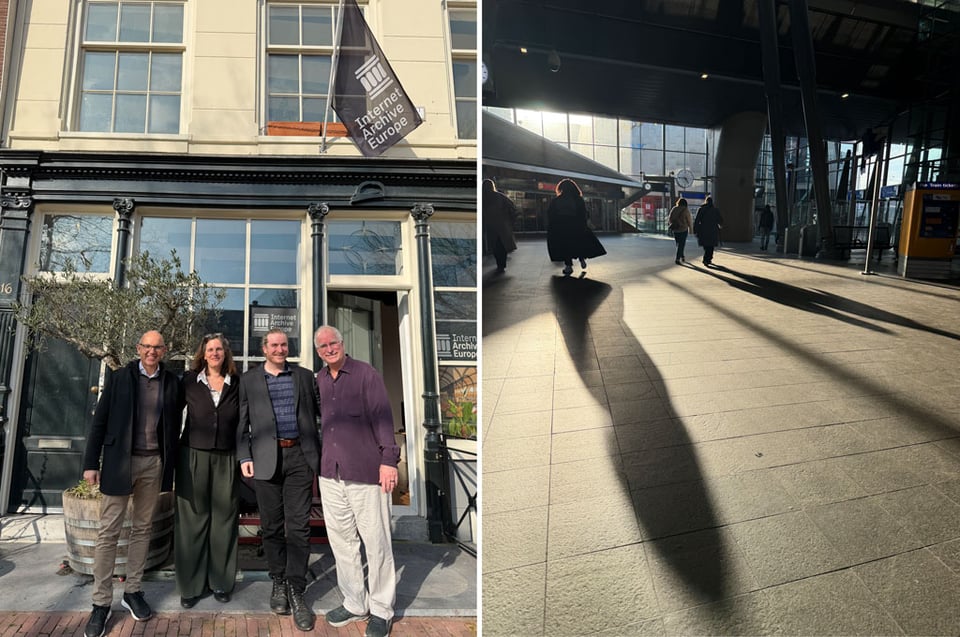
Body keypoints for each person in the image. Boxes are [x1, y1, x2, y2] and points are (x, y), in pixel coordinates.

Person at [81, 331, 183, 637]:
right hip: (119, 462)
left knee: (142, 529)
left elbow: (174, 423)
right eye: (146, 346)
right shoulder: (120, 377)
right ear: (138, 348)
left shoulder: (171, 382)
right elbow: (100, 420)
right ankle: (101, 603)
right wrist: (90, 463)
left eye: (157, 347)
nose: (152, 351)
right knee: (108, 532)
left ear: (164, 350)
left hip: (154, 463)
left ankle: (133, 590)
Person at [314, 325, 400, 637]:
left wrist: (389, 460)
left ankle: (381, 609)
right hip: (331, 474)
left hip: (366, 471)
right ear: (318, 351)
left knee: (376, 542)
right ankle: (354, 601)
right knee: (342, 543)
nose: (328, 349)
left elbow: (383, 418)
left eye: (332, 343)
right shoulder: (320, 380)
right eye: (322, 346)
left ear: (343, 343)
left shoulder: (366, 374)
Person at [237, 329, 321, 632]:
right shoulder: (248, 380)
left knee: (298, 527)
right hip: (265, 460)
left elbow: (321, 413)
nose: (280, 348)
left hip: (299, 457)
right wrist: (244, 456)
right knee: (271, 526)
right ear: (264, 348)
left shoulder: (304, 376)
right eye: (274, 344)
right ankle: (278, 581)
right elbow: (241, 422)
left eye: (284, 344)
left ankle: (297, 589)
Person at [175, 333, 240, 608]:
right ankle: (190, 586)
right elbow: (169, 413)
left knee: (224, 520)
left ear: (225, 354)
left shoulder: (237, 383)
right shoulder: (189, 381)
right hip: (193, 455)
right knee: (192, 521)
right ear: (202, 354)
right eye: (210, 349)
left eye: (219, 349)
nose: (214, 353)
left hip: (227, 457)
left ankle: (221, 583)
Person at [546, 178, 607, 275]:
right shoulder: (578, 200)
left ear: (561, 188)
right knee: (578, 243)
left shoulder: (556, 201)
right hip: (576, 225)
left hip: (562, 226)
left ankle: (568, 266)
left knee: (565, 246)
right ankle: (582, 259)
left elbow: (551, 214)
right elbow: (583, 214)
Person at [482, 178, 517, 273]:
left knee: (494, 245)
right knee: (502, 245)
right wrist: (511, 221)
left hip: (489, 226)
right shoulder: (500, 197)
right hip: (502, 225)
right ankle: (502, 263)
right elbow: (512, 207)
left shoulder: (482, 198)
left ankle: (499, 263)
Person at [693, 196, 724, 266]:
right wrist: (720, 225)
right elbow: (720, 220)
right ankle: (708, 258)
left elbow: (697, 220)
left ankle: (707, 258)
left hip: (703, 230)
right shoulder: (715, 210)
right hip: (713, 230)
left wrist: (695, 230)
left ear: (706, 202)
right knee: (711, 245)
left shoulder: (701, 209)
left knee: (706, 245)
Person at [667, 197, 694, 264]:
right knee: (681, 244)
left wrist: (672, 224)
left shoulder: (674, 208)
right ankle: (678, 258)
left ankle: (682, 256)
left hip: (675, 229)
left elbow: (670, 218)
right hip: (683, 229)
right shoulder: (685, 210)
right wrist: (691, 229)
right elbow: (689, 220)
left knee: (678, 244)